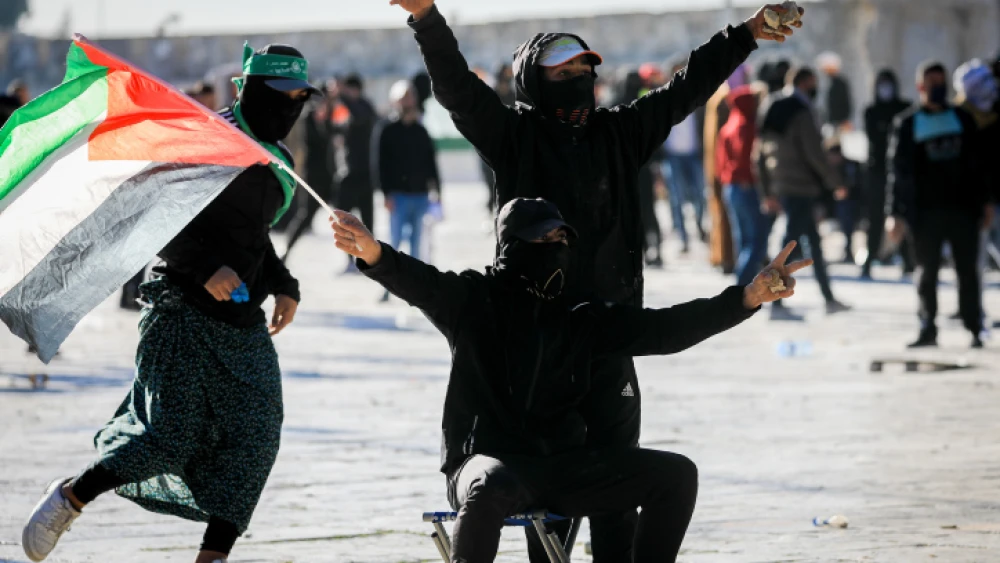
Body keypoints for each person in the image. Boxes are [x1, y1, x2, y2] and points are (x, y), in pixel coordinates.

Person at [389, 0, 803, 558]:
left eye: (586, 72)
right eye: (563, 75)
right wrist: (426, 17)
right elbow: (458, 89)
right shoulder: (513, 136)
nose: (579, 81)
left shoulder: (620, 134)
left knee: (617, 496)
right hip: (537, 342)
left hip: (607, 337)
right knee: (545, 504)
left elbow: (685, 89)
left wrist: (747, 33)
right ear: (535, 82)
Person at [329, 197, 811, 563]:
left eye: (562, 240)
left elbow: (665, 330)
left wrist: (745, 298)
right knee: (490, 485)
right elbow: (417, 281)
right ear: (511, 245)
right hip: (486, 463)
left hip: (561, 467)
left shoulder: (581, 316)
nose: (555, 248)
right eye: (542, 239)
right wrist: (372, 251)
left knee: (676, 473)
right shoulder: (473, 300)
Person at [21, 43, 315, 563]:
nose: (289, 108)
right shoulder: (202, 141)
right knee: (168, 437)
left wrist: (285, 283)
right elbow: (150, 218)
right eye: (279, 96)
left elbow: (254, 238)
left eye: (298, 99)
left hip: (241, 320)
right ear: (245, 91)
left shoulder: (278, 160)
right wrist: (205, 269)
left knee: (256, 437)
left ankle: (212, 556)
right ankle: (72, 496)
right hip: (179, 308)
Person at [886, 60, 989, 348]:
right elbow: (898, 171)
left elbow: (979, 165)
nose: (937, 88)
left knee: (967, 272)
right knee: (926, 273)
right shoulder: (907, 124)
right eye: (931, 83)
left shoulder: (963, 119)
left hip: (963, 211)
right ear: (920, 87)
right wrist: (893, 213)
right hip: (925, 214)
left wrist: (986, 203)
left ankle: (974, 327)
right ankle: (927, 327)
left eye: (941, 82)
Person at [758, 66, 851, 319]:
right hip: (800, 185)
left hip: (782, 182)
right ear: (806, 82)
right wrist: (835, 182)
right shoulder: (801, 109)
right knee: (788, 246)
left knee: (814, 245)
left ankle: (828, 297)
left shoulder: (771, 104)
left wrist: (767, 188)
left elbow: (760, 150)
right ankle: (774, 300)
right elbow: (814, 152)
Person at [372, 79, 440, 299]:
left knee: (417, 245)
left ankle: (415, 288)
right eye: (402, 98)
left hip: (420, 195)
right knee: (393, 244)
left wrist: (438, 191)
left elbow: (431, 162)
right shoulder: (387, 129)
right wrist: (385, 193)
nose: (407, 102)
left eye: (409, 97)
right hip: (398, 196)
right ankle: (388, 288)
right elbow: (379, 163)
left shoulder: (421, 130)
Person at [861, 69, 915, 279]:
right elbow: (876, 140)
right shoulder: (871, 111)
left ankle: (908, 259)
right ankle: (870, 259)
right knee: (875, 218)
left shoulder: (905, 108)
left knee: (903, 215)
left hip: (903, 171)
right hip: (878, 172)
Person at [718, 84, 767, 287]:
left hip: (730, 187)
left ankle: (744, 282)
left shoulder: (729, 125)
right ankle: (743, 285)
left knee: (743, 238)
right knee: (757, 240)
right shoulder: (746, 127)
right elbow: (747, 160)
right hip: (746, 187)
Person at [283, 80, 338, 262]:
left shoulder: (332, 115)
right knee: (305, 216)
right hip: (314, 175)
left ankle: (352, 259)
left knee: (343, 217)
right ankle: (286, 251)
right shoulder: (309, 116)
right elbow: (316, 140)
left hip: (332, 175)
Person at [662, 59, 708, 253]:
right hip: (673, 157)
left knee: (699, 195)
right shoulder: (663, 98)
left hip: (694, 155)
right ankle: (683, 237)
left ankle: (699, 225)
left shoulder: (697, 98)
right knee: (677, 197)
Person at [335, 73, 379, 271]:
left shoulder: (365, 107)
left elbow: (360, 116)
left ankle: (368, 258)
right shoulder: (347, 110)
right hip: (349, 174)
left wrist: (341, 94)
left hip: (365, 175)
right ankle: (349, 259)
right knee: (345, 221)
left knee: (366, 222)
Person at [825, 137, 863, 262]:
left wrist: (845, 191)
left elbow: (857, 188)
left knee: (845, 209)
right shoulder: (826, 167)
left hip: (853, 204)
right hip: (829, 205)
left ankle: (848, 250)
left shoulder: (851, 166)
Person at [817, 51, 852, 131]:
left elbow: (845, 102)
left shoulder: (840, 83)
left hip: (837, 122)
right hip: (825, 122)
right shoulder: (824, 82)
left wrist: (844, 119)